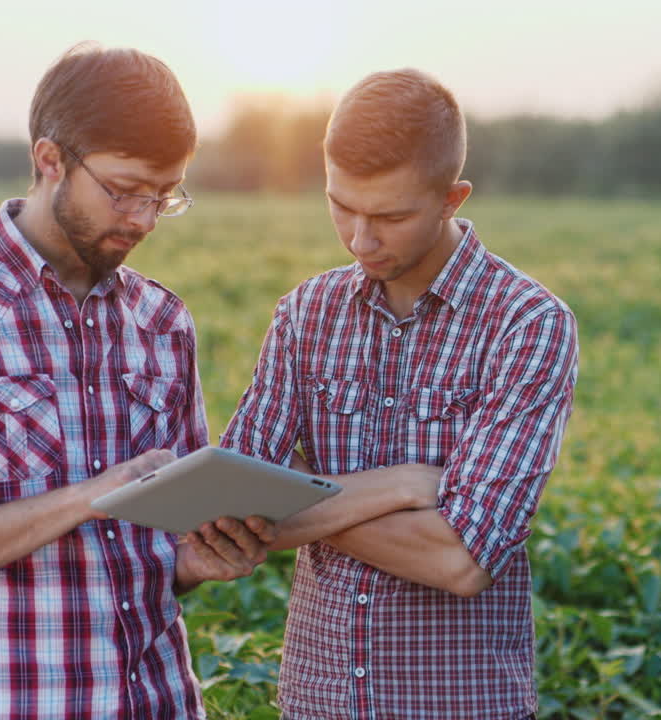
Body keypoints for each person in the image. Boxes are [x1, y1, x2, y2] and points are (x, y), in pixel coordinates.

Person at [0, 43, 274, 719]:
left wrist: (195, 562)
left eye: (166, 196)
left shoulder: (163, 322)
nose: (144, 219)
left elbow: (156, 551)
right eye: (125, 190)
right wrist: (88, 499)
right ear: (50, 161)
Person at [220, 68, 579, 719]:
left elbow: (461, 559)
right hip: (315, 702)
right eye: (341, 205)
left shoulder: (526, 323)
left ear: (453, 198)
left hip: (459, 706)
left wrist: (298, 495)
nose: (361, 240)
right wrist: (400, 486)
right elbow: (236, 504)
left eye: (391, 215)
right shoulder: (307, 313)